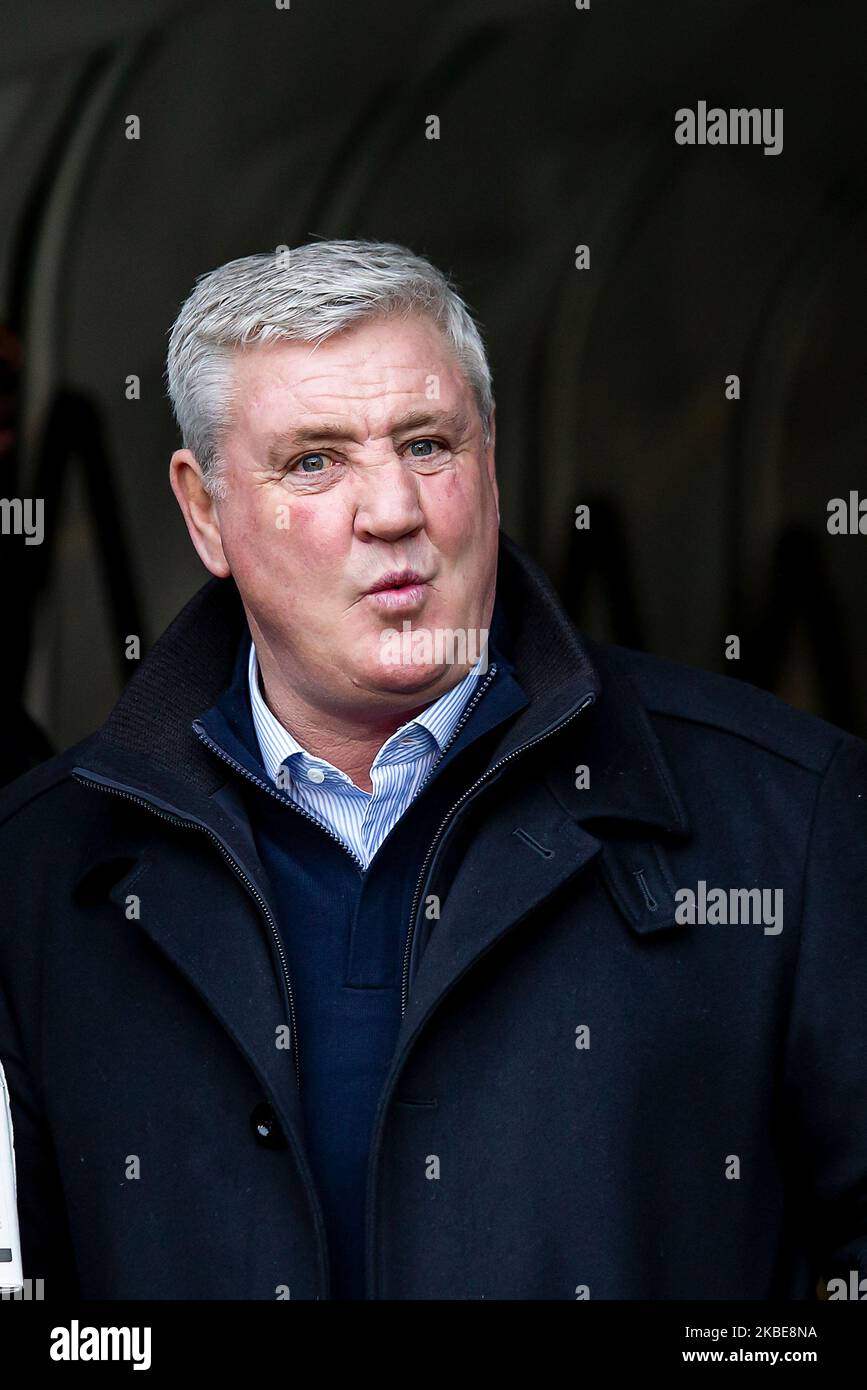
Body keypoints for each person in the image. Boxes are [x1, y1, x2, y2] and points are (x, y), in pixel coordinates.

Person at [1, 240, 865, 1301]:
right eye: (314, 461)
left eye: (426, 444)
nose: (394, 511)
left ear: (490, 461)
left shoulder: (791, 815)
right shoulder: (35, 872)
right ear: (204, 510)